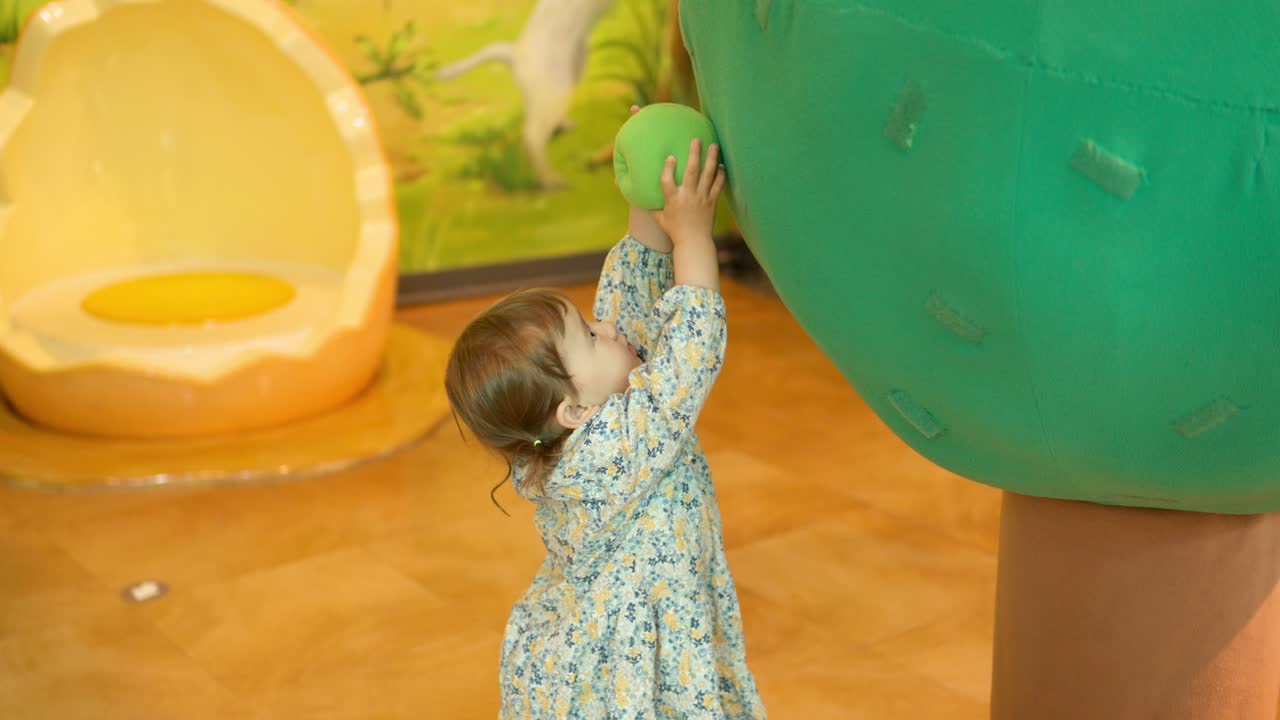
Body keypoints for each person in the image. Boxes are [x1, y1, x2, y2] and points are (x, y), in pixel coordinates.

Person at [445, 125, 767, 718]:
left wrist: (643, 175)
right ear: (576, 411)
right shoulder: (617, 446)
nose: (608, 327)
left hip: (607, 633)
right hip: (636, 658)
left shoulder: (565, 430)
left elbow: (625, 300)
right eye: (591, 337)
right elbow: (690, 353)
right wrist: (693, 236)